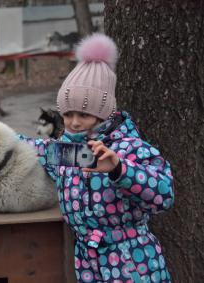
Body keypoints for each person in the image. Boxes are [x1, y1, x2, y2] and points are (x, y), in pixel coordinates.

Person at [19, 33, 174, 282]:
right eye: (68, 114)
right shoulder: (68, 152)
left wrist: (120, 169)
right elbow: (30, 148)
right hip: (88, 262)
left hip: (134, 264)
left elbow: (164, 194)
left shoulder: (130, 148)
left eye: (84, 114)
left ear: (103, 113)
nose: (74, 122)